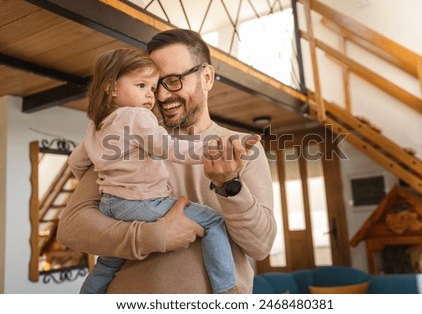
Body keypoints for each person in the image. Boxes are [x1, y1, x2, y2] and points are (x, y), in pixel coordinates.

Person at [57, 28, 276, 293]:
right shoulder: (126, 138)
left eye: (172, 80)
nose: (160, 96)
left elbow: (260, 246)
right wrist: (155, 235)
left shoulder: (241, 149)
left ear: (206, 77)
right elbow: (71, 228)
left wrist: (230, 185)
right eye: (153, 84)